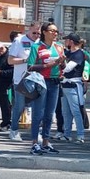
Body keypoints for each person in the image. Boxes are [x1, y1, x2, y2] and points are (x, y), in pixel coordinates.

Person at [26, 24, 65, 155]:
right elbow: (30, 67)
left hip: (55, 82)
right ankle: (34, 143)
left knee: (49, 114)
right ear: (44, 32)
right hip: (41, 82)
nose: (55, 33)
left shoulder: (59, 47)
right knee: (38, 113)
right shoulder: (36, 47)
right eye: (52, 31)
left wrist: (62, 62)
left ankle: (46, 142)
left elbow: (62, 66)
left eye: (56, 31)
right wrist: (51, 63)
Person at [6, 24, 40, 141]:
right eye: (34, 33)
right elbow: (10, 60)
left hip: (37, 79)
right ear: (29, 30)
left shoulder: (41, 43)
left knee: (37, 107)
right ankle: (14, 130)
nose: (36, 36)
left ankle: (36, 132)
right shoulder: (19, 41)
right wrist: (26, 60)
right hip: (21, 79)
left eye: (38, 33)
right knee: (19, 106)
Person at [59, 33, 87, 143]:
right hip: (65, 85)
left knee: (76, 111)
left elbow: (67, 68)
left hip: (73, 86)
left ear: (71, 41)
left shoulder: (79, 54)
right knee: (65, 112)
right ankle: (67, 133)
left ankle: (80, 135)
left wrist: (61, 62)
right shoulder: (67, 53)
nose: (65, 42)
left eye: (67, 40)